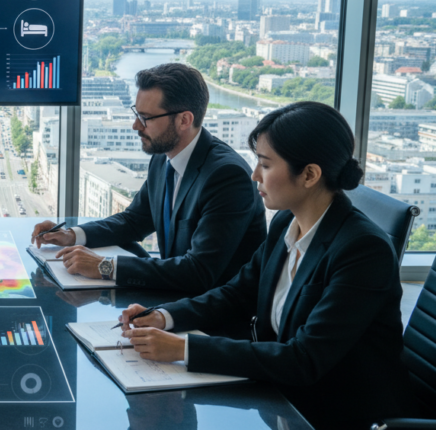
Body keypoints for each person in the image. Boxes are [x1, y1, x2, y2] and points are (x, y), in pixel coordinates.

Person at [119, 101, 413, 429]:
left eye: (266, 165)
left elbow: (304, 359)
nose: (254, 175)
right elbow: (237, 293)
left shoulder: (363, 250)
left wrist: (183, 348)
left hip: (333, 412)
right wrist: (165, 316)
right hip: (278, 395)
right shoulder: (286, 221)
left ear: (310, 174)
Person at [31, 63, 266, 294]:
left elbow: (199, 272)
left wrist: (105, 266)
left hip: (214, 318)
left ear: (184, 120)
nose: (135, 126)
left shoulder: (227, 176)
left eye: (145, 118)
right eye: (136, 114)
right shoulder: (164, 157)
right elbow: (134, 220)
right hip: (175, 298)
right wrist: (72, 235)